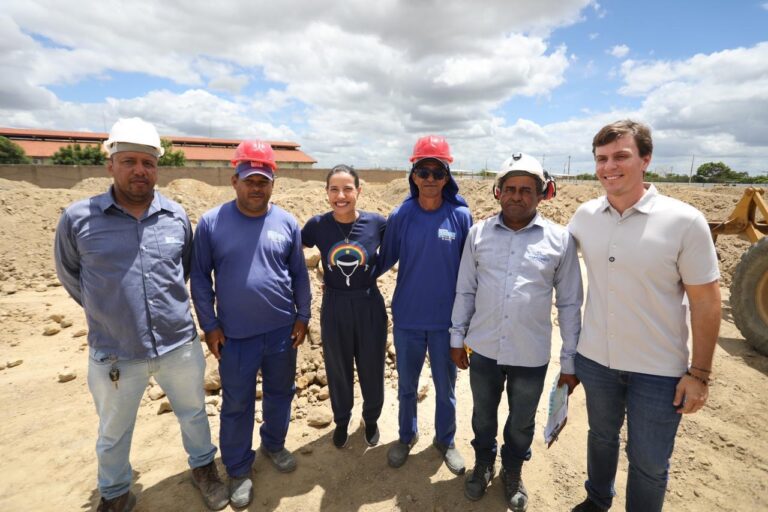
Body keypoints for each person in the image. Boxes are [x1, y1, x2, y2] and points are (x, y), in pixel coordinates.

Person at [54, 118, 229, 512]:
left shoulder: (175, 216)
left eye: (148, 163)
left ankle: (204, 470)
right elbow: (70, 275)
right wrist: (108, 311)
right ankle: (115, 493)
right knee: (114, 431)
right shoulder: (79, 219)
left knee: (194, 414)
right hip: (115, 350)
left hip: (178, 345)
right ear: (110, 164)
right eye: (129, 160)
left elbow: (182, 270)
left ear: (157, 168)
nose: (139, 170)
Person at [568, 120, 721, 512]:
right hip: (596, 361)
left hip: (658, 371)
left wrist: (699, 374)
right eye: (602, 158)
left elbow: (706, 302)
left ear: (645, 159)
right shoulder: (584, 217)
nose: (609, 167)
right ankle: (597, 500)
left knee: (649, 463)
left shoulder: (684, 222)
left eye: (621, 156)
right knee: (600, 438)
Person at [450, 153, 583, 511]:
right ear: (498, 193)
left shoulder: (560, 240)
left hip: (530, 353)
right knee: (482, 415)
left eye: (527, 190)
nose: (517, 196)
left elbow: (570, 304)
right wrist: (456, 338)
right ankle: (483, 463)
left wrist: (570, 361)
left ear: (542, 194)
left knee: (521, 420)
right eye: (509, 188)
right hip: (483, 349)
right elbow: (465, 290)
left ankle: (512, 469)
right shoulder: (478, 234)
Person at [190, 139, 311, 509]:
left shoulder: (287, 222)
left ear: (273, 182)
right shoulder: (212, 223)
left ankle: (273, 444)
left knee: (280, 393)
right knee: (237, 404)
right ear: (235, 180)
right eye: (249, 180)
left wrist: (303, 316)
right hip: (235, 337)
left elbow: (299, 274)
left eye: (263, 180)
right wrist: (210, 325)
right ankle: (239, 468)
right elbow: (199, 278)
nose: (256, 187)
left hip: (280, 333)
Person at [378, 135, 472, 474]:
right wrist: (346, 276)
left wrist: (469, 322)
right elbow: (384, 258)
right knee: (406, 386)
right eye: (423, 171)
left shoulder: (460, 217)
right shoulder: (401, 214)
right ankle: (406, 436)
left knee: (447, 389)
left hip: (447, 324)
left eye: (437, 171)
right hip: (407, 320)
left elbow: (470, 272)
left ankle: (446, 441)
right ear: (413, 176)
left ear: (447, 176)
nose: (430, 178)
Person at [301, 165, 388, 448]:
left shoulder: (377, 223)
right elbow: (292, 251)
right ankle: (341, 420)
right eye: (334, 189)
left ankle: (371, 418)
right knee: (337, 367)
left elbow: (398, 249)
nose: (341, 195)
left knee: (372, 365)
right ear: (326, 193)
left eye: (348, 189)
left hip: (368, 304)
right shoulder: (317, 225)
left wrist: (374, 271)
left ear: (359, 191)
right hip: (335, 304)